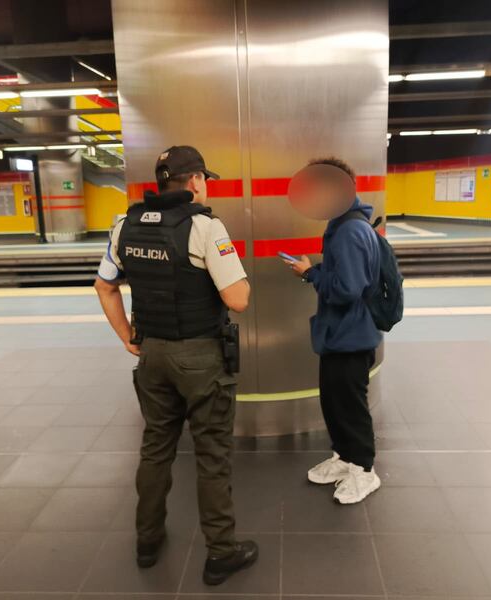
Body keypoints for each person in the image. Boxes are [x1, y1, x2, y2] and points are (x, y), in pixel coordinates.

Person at [94, 145, 258, 586]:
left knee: (155, 448)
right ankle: (221, 553)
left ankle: (147, 542)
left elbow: (104, 287)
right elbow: (237, 299)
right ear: (195, 180)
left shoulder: (124, 225)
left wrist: (128, 335)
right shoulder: (204, 226)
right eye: (205, 179)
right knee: (211, 456)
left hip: (152, 357)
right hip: (201, 358)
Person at [285, 157, 383, 505]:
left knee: (350, 407)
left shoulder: (350, 231)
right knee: (335, 402)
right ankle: (344, 458)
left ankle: (364, 470)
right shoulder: (343, 225)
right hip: (340, 334)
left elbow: (347, 289)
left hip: (351, 336)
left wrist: (310, 274)